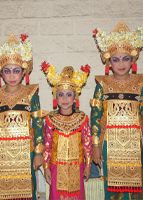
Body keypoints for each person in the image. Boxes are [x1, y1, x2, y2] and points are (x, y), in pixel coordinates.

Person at [0, 33, 45, 200]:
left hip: (27, 151)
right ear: (0, 72)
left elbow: (38, 124)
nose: (11, 75)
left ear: (23, 71)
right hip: (3, 153)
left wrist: (39, 152)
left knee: (28, 191)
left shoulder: (32, 94)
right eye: (7, 71)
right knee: (6, 192)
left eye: (16, 71)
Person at [91, 20, 143, 199]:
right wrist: (96, 146)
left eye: (125, 58)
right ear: (108, 61)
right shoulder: (102, 84)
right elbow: (95, 117)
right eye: (115, 59)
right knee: (112, 189)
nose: (121, 63)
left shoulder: (141, 83)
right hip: (109, 144)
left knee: (137, 189)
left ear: (133, 59)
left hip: (136, 144)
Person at [41, 61, 92, 200]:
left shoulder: (82, 118)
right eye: (60, 94)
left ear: (75, 96)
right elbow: (47, 145)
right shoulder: (50, 119)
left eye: (69, 94)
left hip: (78, 165)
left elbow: (87, 144)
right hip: (56, 167)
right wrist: (46, 167)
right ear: (55, 97)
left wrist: (88, 165)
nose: (64, 99)